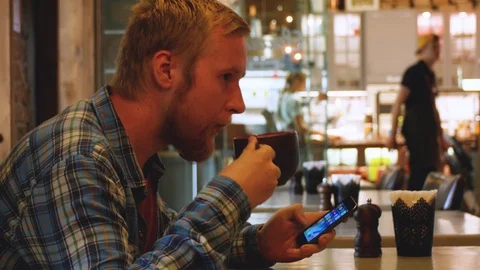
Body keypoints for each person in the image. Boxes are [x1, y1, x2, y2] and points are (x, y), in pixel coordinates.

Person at [0, 0, 337, 269]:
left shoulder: (131, 154)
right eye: (225, 78)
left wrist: (260, 244)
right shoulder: (78, 158)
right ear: (165, 70)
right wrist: (232, 194)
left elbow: (164, 253)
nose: (238, 103)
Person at [387, 34, 445, 191]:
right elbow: (398, 103)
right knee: (419, 176)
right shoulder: (413, 72)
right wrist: (392, 134)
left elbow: (433, 107)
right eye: (434, 47)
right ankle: (415, 212)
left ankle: (424, 211)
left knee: (430, 177)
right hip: (417, 135)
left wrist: (440, 136)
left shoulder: (430, 74)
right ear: (422, 49)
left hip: (429, 136)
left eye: (438, 47)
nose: (438, 51)